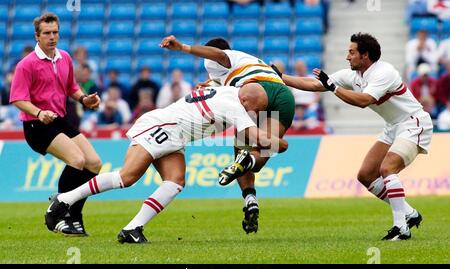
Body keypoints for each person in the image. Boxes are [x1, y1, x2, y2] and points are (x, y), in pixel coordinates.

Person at [44, 84, 288, 243]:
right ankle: (64, 199)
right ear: (245, 100)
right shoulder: (235, 105)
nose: (253, 114)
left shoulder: (227, 90)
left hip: (175, 133)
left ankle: (132, 229)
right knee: (126, 177)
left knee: (175, 182)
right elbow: (256, 137)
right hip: (163, 126)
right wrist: (280, 143)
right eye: (255, 109)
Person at [272, 33, 432, 241]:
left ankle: (401, 228)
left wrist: (334, 88)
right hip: (393, 126)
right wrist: (280, 77)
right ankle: (410, 214)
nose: (347, 57)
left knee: (387, 169)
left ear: (365, 55)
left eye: (352, 52)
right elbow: (314, 84)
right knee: (365, 176)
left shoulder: (384, 72)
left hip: (413, 123)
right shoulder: (353, 76)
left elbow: (364, 100)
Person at [160, 35, 295, 234]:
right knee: (260, 153)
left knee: (240, 144)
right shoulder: (238, 71)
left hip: (256, 89)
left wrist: (183, 47)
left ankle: (247, 173)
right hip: (284, 97)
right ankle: (251, 200)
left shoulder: (228, 57)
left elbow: (219, 54)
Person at [9, 13, 102, 236]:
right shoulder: (26, 64)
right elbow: (18, 99)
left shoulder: (64, 58)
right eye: (47, 33)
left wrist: (84, 99)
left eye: (55, 32)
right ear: (37, 36)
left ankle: (74, 217)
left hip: (59, 120)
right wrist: (38, 112)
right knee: (77, 160)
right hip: (36, 125)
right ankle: (58, 209)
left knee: (94, 164)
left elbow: (71, 87)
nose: (52, 37)